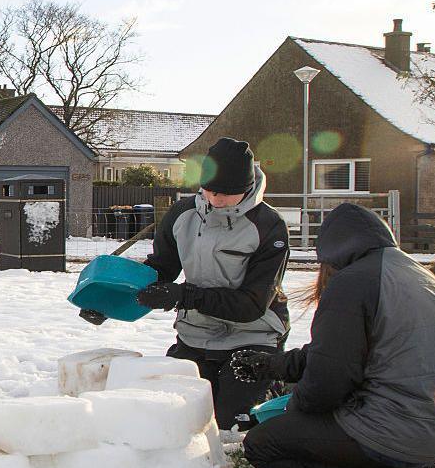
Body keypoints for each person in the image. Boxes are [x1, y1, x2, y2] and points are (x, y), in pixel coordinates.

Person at [231, 203, 435, 468]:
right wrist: (273, 366)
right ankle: (423, 457)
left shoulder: (351, 283)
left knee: (262, 444)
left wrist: (292, 412)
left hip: (394, 433)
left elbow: (328, 382)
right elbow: (340, 354)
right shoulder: (417, 275)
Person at [82, 138, 290, 430]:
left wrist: (184, 296)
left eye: (227, 194)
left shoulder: (269, 225)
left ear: (246, 190)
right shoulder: (182, 214)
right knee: (179, 417)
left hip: (252, 335)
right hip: (196, 335)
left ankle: (280, 385)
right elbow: (160, 271)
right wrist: (109, 298)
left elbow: (251, 305)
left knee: (234, 424)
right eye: (211, 191)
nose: (216, 200)